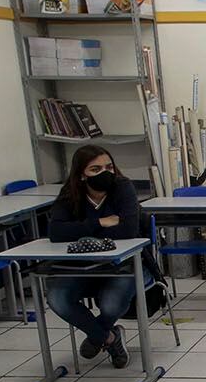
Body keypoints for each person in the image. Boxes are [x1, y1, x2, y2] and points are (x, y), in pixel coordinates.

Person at [46, 144, 139, 369]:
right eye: (95, 169)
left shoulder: (123, 187)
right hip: (82, 266)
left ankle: (96, 335)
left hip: (122, 265)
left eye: (109, 167)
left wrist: (81, 232)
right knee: (57, 298)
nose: (105, 173)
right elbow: (56, 233)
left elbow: (129, 231)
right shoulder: (70, 194)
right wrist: (100, 223)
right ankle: (108, 338)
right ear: (81, 175)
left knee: (110, 304)